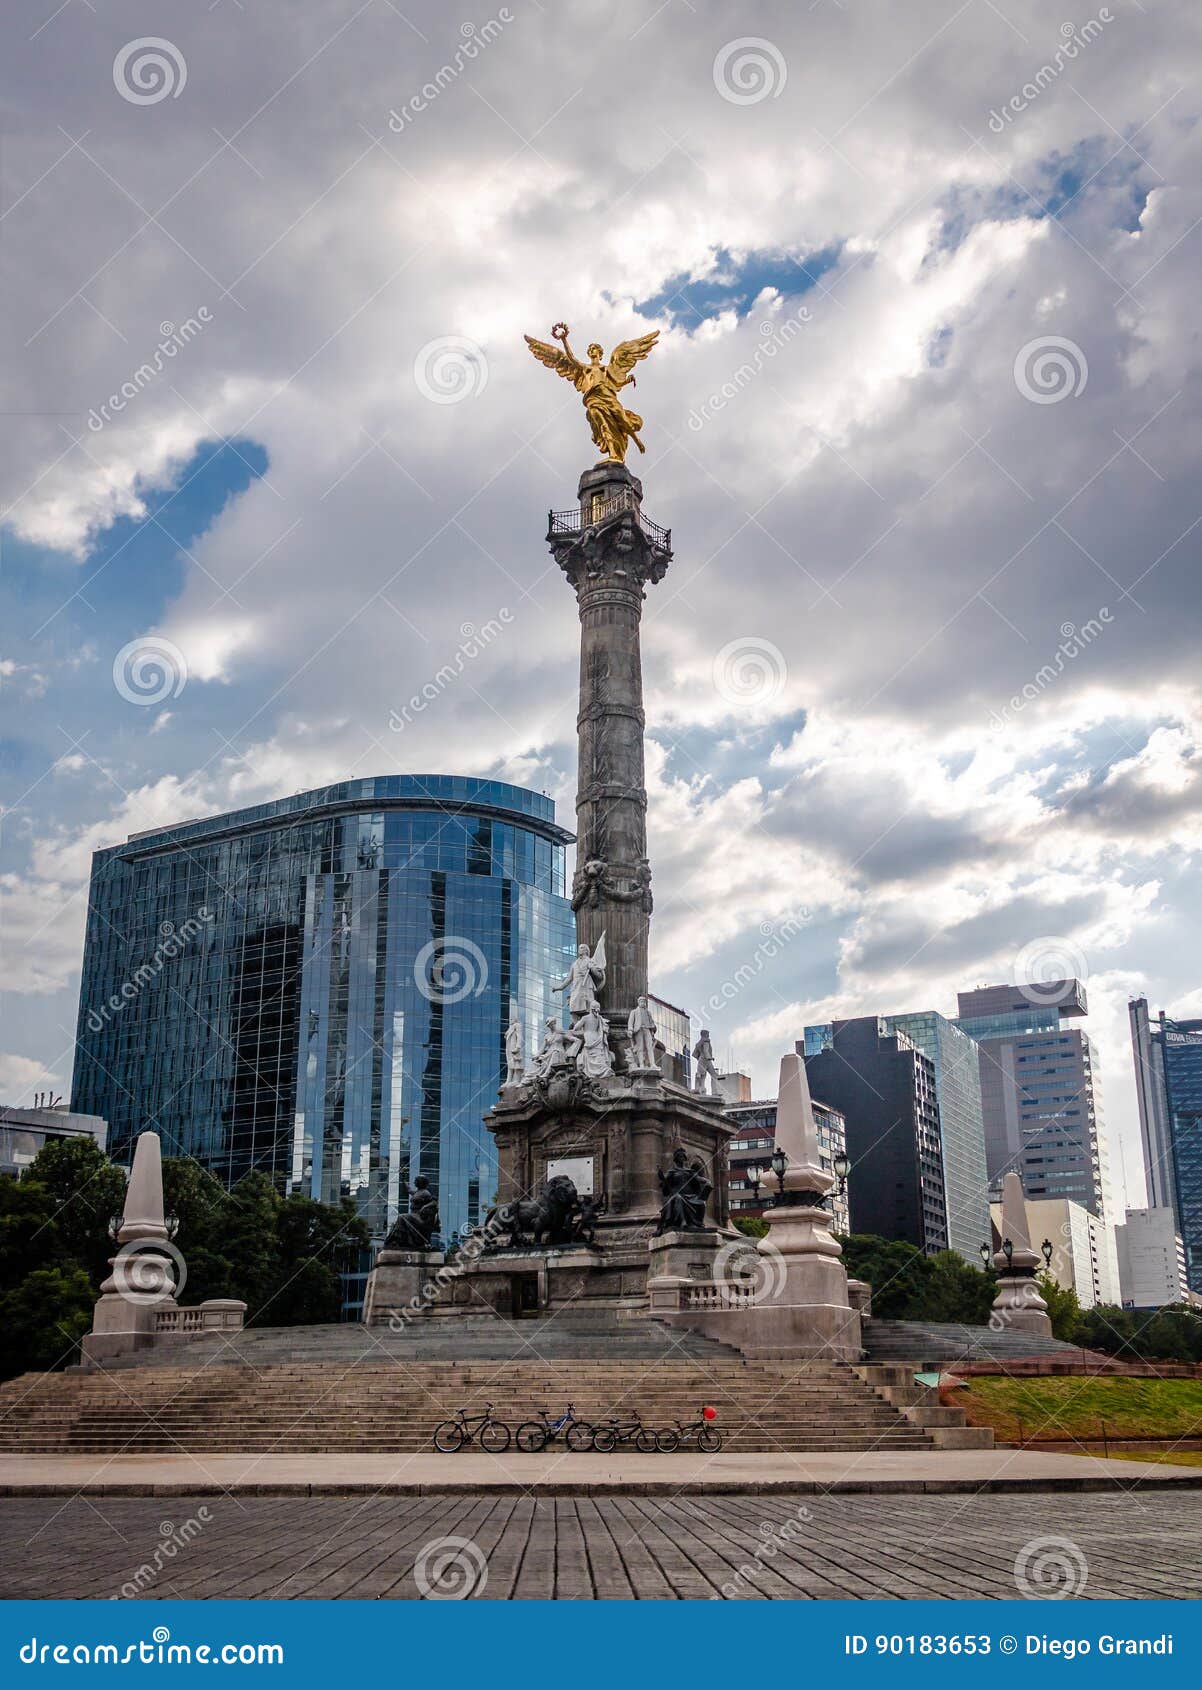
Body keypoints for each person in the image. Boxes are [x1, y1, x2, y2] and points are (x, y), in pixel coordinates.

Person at [628, 995, 658, 1069]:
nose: (643, 1002)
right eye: (641, 1001)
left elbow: (651, 1022)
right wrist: (630, 1030)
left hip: (647, 1029)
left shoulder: (648, 1012)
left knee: (650, 1047)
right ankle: (641, 1064)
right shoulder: (634, 1012)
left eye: (644, 1001)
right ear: (638, 1002)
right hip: (638, 1030)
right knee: (640, 1047)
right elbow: (630, 1021)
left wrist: (653, 1028)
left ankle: (652, 1064)